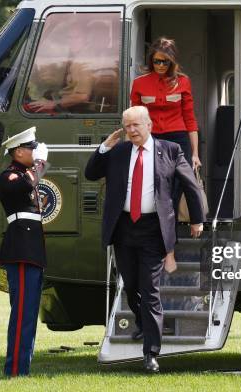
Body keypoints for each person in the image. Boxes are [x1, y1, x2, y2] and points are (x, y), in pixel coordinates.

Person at [84, 106, 204, 373]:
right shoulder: (118, 152)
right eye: (127, 126)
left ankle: (151, 352)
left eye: (136, 125)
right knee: (130, 286)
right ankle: (143, 322)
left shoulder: (170, 150)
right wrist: (104, 147)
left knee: (150, 291)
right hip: (124, 228)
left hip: (154, 229)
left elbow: (190, 185)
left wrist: (197, 219)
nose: (132, 130)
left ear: (149, 125)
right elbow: (90, 174)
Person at [130, 37, 202, 272]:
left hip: (179, 138)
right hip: (154, 139)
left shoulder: (183, 82)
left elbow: (190, 119)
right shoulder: (140, 83)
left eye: (165, 62)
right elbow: (134, 118)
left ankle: (170, 245)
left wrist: (195, 153)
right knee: (160, 192)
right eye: (157, 61)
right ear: (151, 61)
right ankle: (164, 245)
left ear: (172, 63)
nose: (160, 66)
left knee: (175, 191)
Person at [0, 127, 49, 377]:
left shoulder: (25, 175)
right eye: (32, 148)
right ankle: (15, 370)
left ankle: (22, 367)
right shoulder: (10, 176)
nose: (36, 151)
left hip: (32, 251)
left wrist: (37, 163)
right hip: (20, 251)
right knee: (22, 313)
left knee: (28, 312)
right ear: (18, 152)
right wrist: (41, 163)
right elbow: (24, 186)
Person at [24, 23, 95, 114]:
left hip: (72, 111)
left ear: (87, 39)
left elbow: (83, 96)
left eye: (77, 38)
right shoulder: (77, 57)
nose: (72, 42)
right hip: (65, 106)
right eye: (69, 38)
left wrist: (54, 103)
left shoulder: (82, 61)